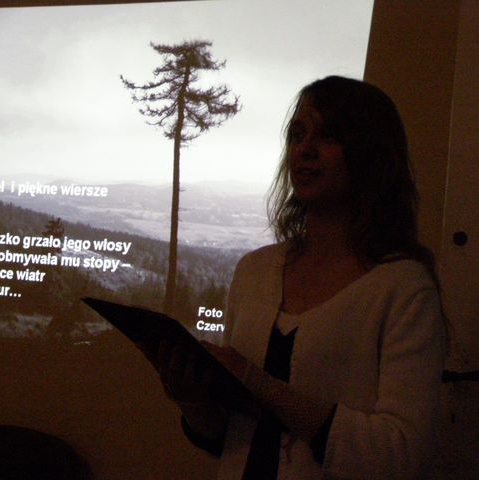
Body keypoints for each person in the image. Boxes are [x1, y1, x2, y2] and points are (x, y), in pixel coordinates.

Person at [148, 76, 447, 480]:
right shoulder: (254, 271)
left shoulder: (404, 289)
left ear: (372, 155)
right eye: (297, 134)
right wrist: (193, 402)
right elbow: (232, 438)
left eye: (329, 136)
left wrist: (258, 383)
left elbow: (401, 455)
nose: (305, 149)